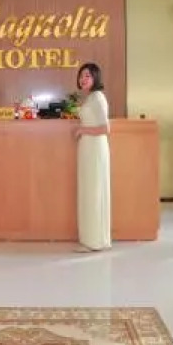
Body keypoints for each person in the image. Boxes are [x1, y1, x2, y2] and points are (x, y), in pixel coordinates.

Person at [74, 62, 111, 252]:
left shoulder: (97, 97)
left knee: (94, 192)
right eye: (81, 76)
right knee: (89, 191)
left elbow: (105, 128)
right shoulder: (90, 97)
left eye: (87, 75)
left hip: (95, 148)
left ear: (96, 77)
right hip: (88, 148)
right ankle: (92, 239)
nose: (83, 79)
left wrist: (83, 130)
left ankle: (94, 241)